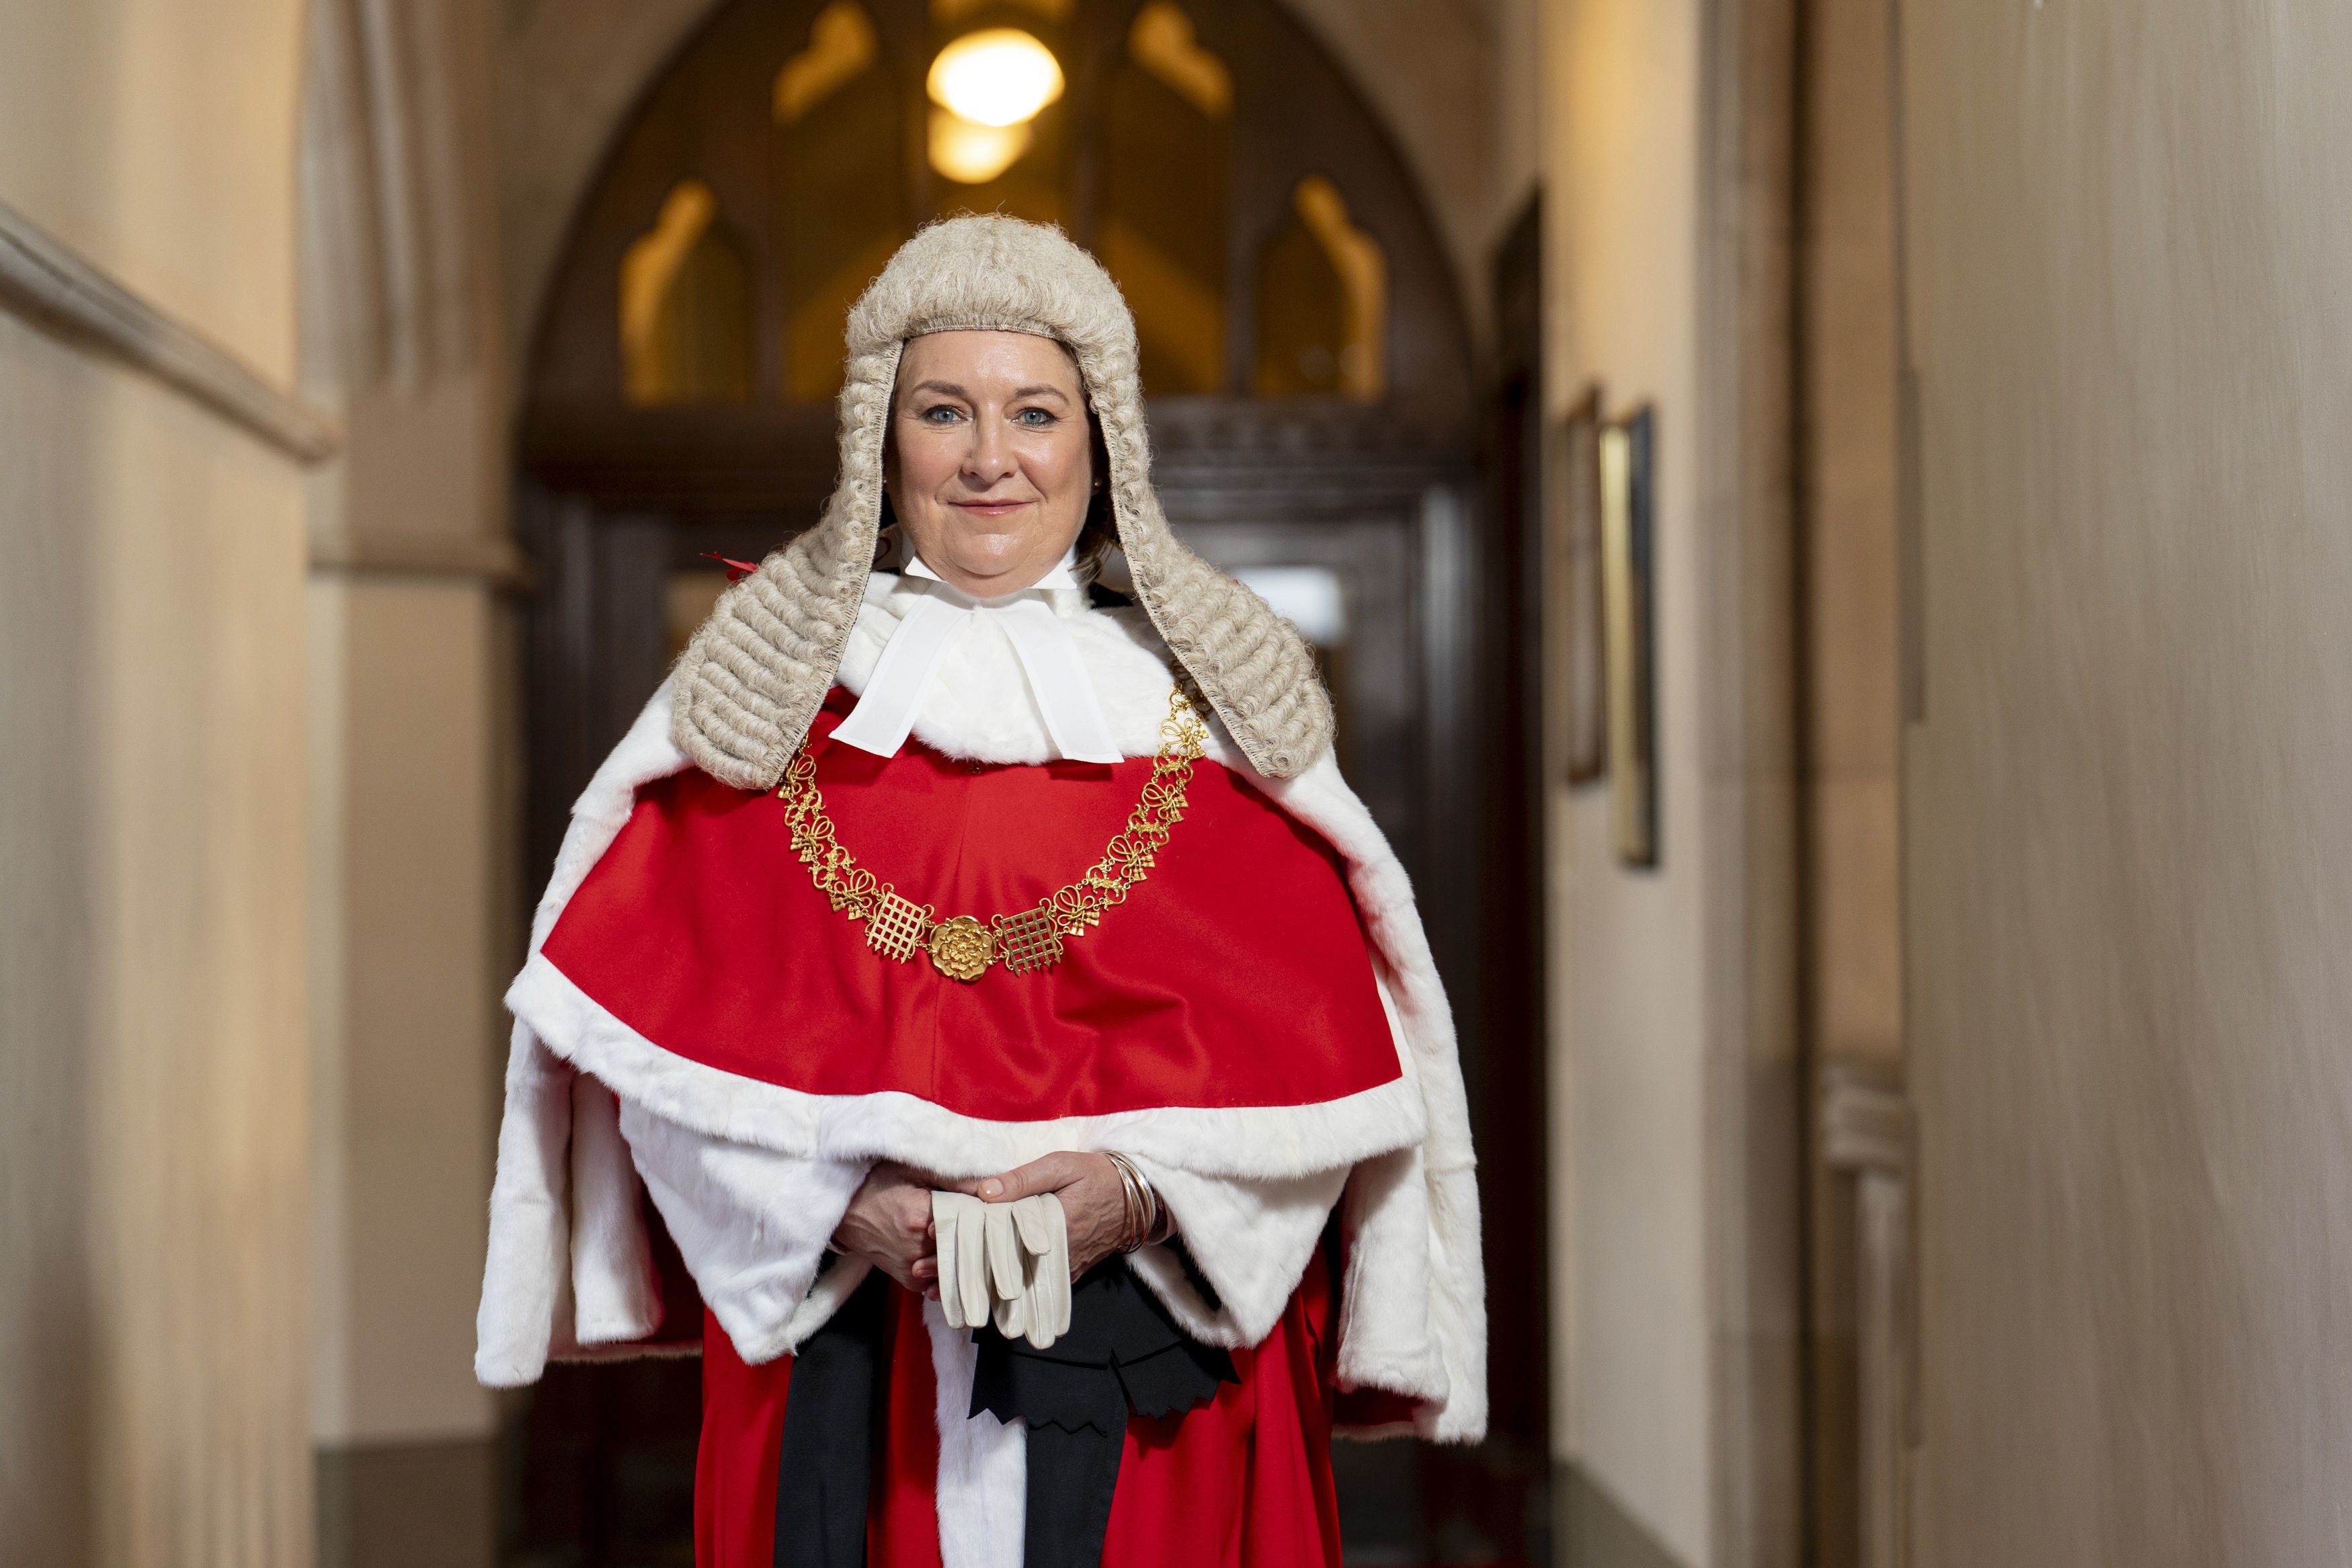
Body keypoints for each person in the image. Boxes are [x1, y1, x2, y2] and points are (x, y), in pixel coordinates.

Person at [475, 215, 1484, 1568]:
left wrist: (1141, 1192)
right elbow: (651, 1063)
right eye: (944, 410)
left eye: (1035, 412)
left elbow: (1335, 1093)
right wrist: (840, 1207)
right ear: (882, 442)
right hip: (842, 1360)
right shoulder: (758, 716)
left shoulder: (1215, 727)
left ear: (1099, 437)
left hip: (1154, 1382)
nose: (990, 457)